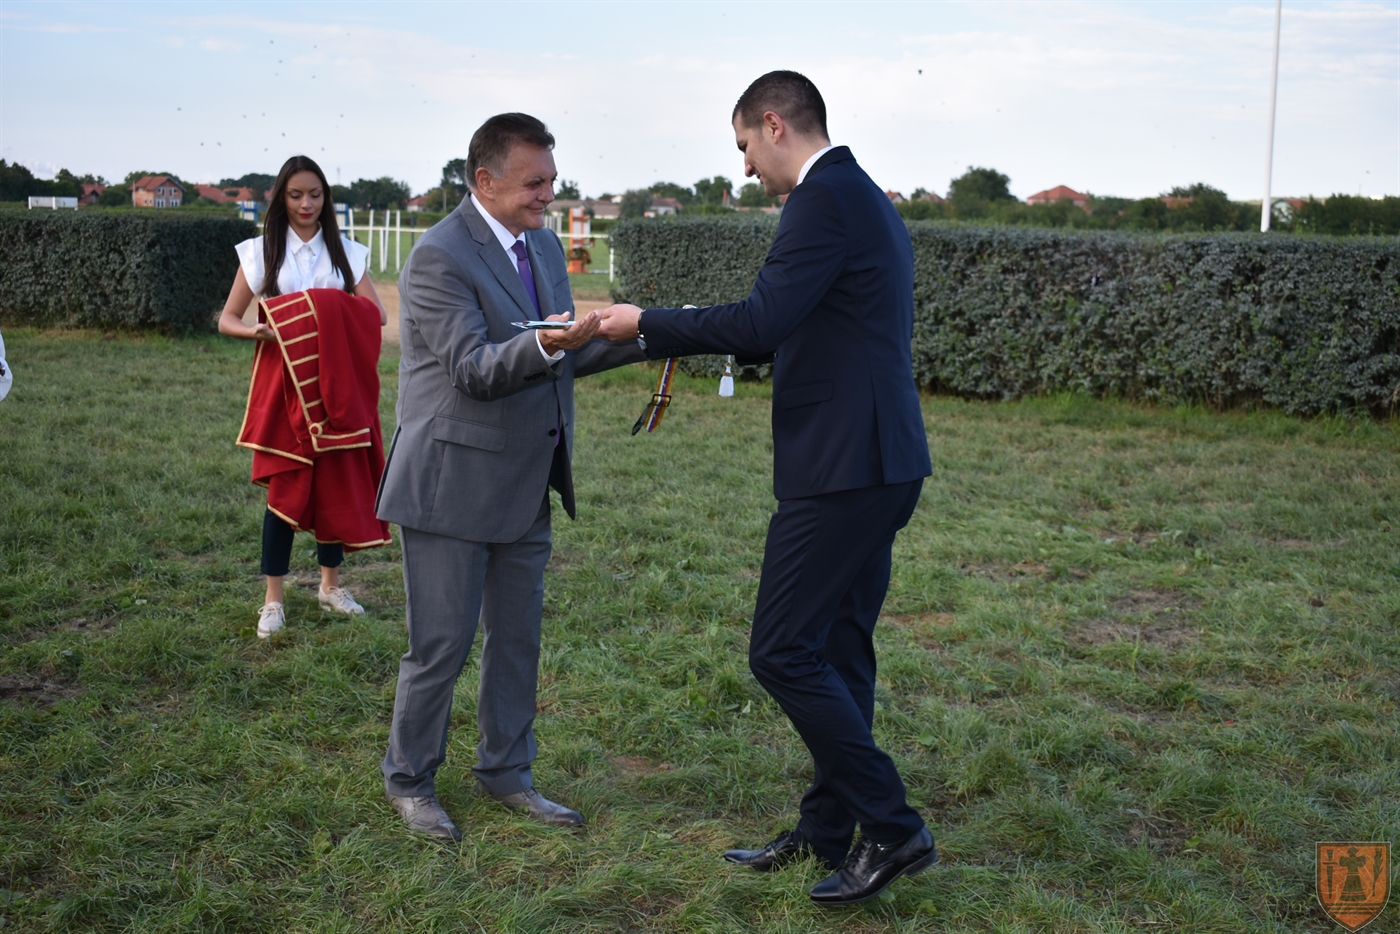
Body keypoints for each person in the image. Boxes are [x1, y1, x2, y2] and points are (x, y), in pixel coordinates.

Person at [597, 71, 937, 907]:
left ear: (775, 125)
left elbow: (760, 324)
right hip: (882, 460)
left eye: (744, 144)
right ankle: (827, 831)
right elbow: (779, 327)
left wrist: (645, 325)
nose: (745, 165)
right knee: (839, 652)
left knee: (781, 650)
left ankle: (892, 826)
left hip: (844, 469)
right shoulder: (861, 194)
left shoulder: (823, 202)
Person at [375, 113, 645, 841]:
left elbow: (562, 352)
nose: (548, 195)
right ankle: (410, 781)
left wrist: (647, 333)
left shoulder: (546, 245)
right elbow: (473, 369)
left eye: (552, 180)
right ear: (485, 180)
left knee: (517, 640)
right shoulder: (437, 256)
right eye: (534, 183)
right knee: (441, 647)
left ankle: (506, 773)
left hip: (527, 480)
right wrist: (554, 344)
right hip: (450, 485)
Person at [218, 155, 390, 639]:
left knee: (333, 484)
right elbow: (227, 318)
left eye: (315, 194)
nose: (306, 204)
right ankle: (273, 599)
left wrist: (327, 308)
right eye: (296, 195)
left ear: (326, 198)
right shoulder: (259, 253)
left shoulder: (348, 253)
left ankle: (329, 586)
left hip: (335, 384)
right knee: (285, 488)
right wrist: (258, 331)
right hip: (282, 385)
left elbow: (375, 314)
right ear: (281, 198)